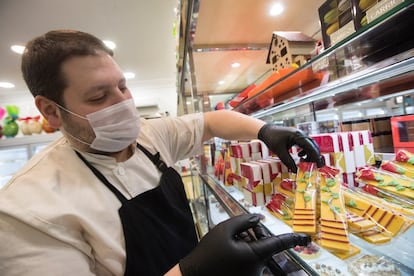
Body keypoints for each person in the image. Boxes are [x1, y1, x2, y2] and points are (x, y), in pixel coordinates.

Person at [0, 30, 324, 276]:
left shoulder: (148, 136)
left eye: (122, 87)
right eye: (99, 97)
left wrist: (264, 131)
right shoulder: (26, 211)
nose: (124, 104)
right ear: (51, 111)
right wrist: (193, 271)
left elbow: (210, 122)